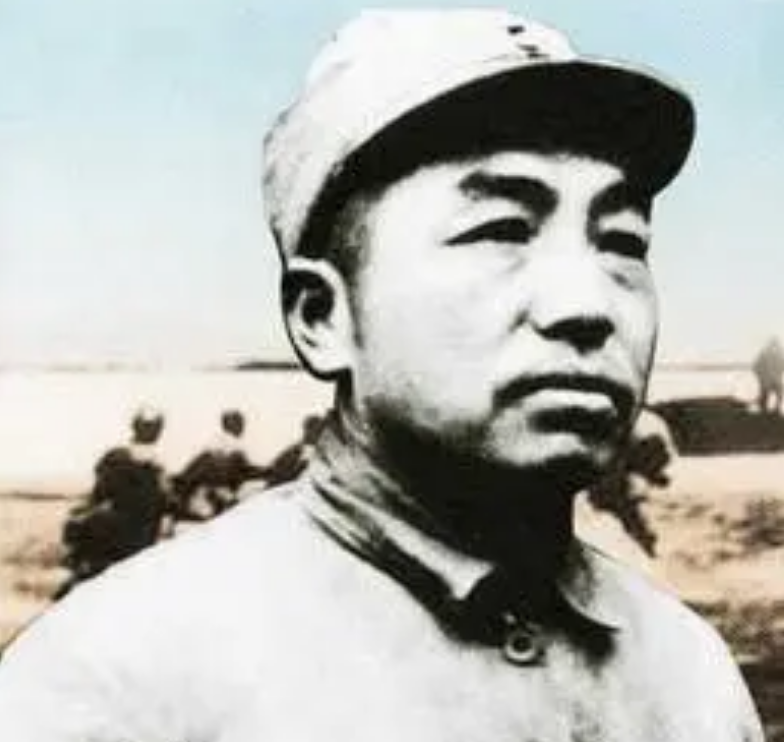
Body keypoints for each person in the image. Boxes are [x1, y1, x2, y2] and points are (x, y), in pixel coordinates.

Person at [0, 10, 764, 741]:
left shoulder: (688, 674)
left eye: (623, 241)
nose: (587, 304)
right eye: (500, 229)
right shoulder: (114, 685)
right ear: (323, 317)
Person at [55, 406, 169, 597]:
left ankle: (77, 572)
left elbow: (100, 493)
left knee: (77, 523)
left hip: (118, 531)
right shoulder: (159, 467)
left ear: (134, 427)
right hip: (144, 535)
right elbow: (164, 502)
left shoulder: (116, 457)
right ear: (159, 431)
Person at [169, 409, 265, 526]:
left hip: (206, 498)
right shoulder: (229, 448)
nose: (241, 427)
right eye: (237, 423)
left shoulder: (213, 448)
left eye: (241, 423)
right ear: (226, 425)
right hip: (211, 499)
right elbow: (244, 470)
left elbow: (189, 476)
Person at [753, 337, 784, 414]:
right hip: (768, 380)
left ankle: (774, 410)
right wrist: (761, 378)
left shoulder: (779, 354)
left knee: (777, 395)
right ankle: (768, 410)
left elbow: (755, 367)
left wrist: (760, 378)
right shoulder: (765, 353)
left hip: (772, 380)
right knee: (768, 396)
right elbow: (756, 367)